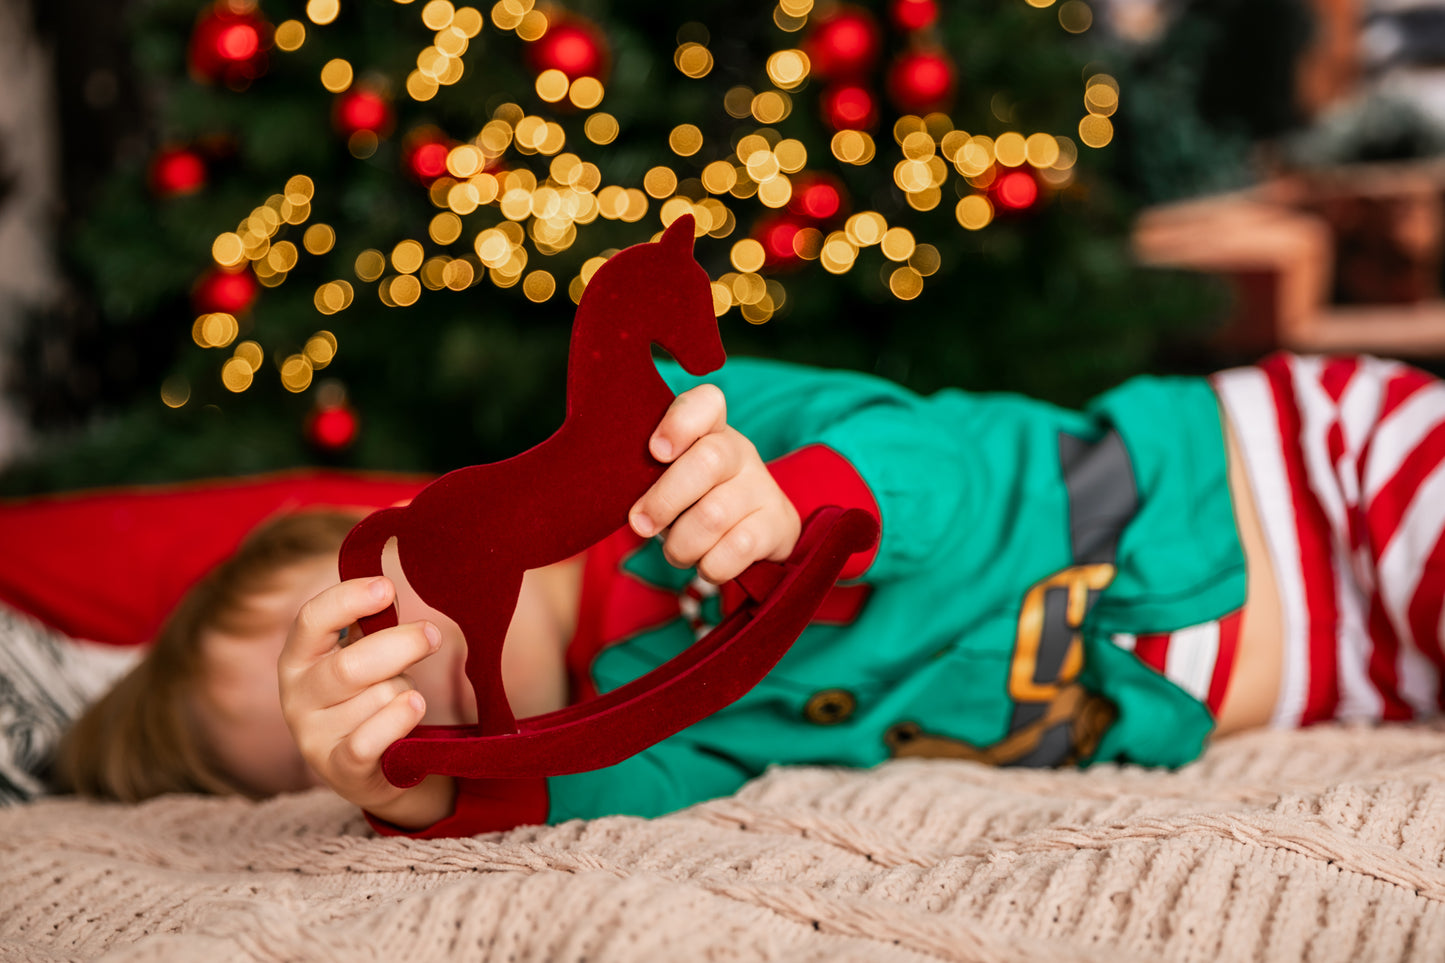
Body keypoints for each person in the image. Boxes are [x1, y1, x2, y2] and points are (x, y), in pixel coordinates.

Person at [57, 351, 1445, 839]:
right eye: (343, 737)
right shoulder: (663, 744)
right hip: (1337, 675)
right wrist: (421, 795)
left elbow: (951, 460)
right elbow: (576, 800)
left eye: (363, 626)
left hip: (1290, 477)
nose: (393, 688)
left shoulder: (672, 436)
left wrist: (792, 500)